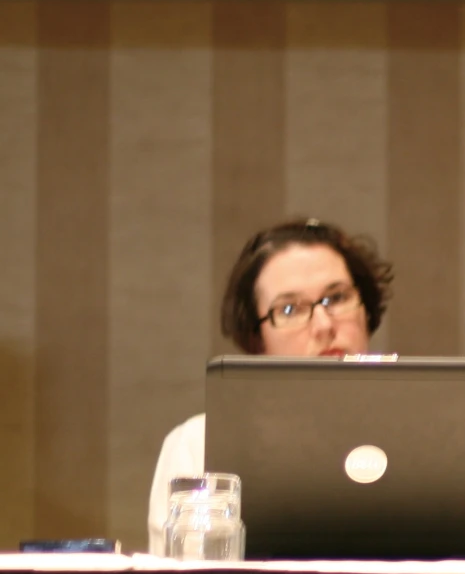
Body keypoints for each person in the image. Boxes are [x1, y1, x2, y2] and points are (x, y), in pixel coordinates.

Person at [146, 218, 396, 543]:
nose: (323, 324)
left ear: (367, 311)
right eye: (289, 309)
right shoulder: (200, 445)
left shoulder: (439, 430)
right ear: (257, 339)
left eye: (336, 298)